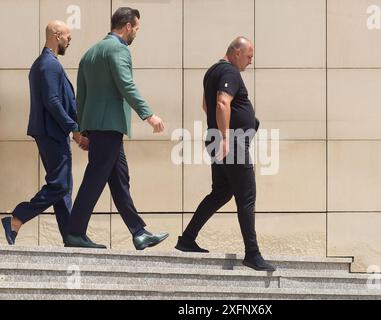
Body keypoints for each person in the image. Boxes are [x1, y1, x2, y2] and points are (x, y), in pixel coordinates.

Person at [64, 7, 169, 250]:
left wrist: (81, 130)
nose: (136, 34)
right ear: (128, 26)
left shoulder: (90, 53)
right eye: (137, 29)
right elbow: (126, 85)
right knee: (94, 178)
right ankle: (75, 232)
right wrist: (148, 115)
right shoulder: (118, 49)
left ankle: (138, 232)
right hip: (109, 127)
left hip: (99, 128)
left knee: (119, 179)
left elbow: (82, 96)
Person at [175, 37, 276, 272]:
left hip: (218, 139)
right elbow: (221, 103)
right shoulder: (230, 72)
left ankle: (187, 239)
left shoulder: (212, 71)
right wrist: (226, 137)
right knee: (246, 196)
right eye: (249, 56)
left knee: (221, 192)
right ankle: (252, 254)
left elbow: (205, 105)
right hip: (231, 143)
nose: (251, 62)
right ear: (236, 52)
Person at [1, 21, 88, 245]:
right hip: (52, 134)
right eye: (68, 37)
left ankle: (70, 235)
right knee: (60, 185)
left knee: (62, 186)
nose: (69, 41)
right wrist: (74, 129)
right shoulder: (48, 64)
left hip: (51, 133)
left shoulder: (45, 63)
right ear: (57, 36)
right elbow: (52, 101)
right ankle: (18, 217)